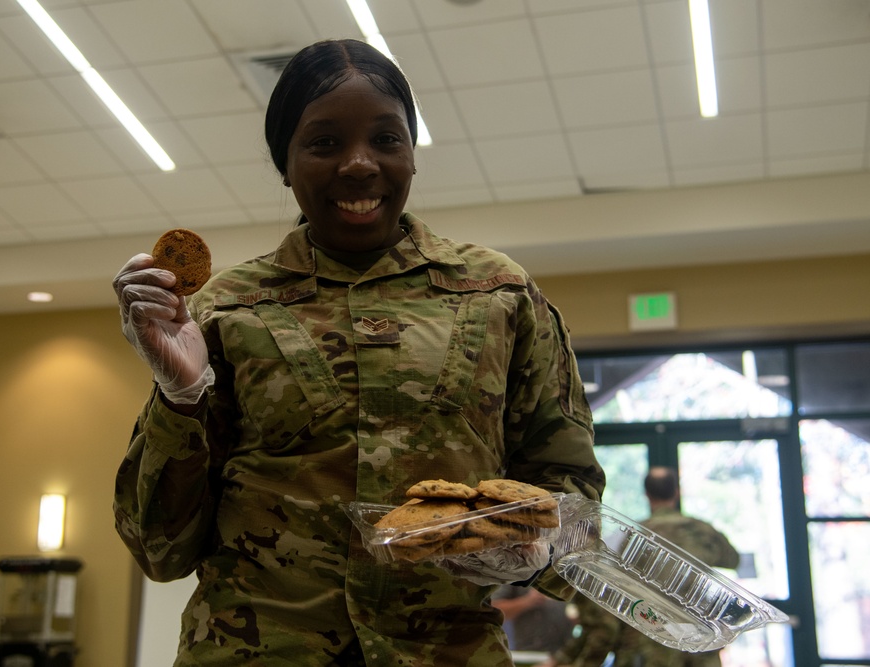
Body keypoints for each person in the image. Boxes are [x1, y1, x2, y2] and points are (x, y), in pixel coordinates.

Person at [112, 37, 604, 666]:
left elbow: (572, 497)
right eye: (323, 143)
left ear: (413, 155)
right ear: (284, 164)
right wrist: (180, 398)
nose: (359, 164)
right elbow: (160, 549)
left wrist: (531, 547)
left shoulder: (500, 295)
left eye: (386, 139)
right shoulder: (224, 310)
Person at [610, 467, 740, 667]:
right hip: (699, 641)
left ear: (647, 494)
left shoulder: (632, 536)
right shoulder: (703, 531)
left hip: (650, 642)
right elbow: (733, 560)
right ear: (676, 492)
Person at [492, 586, 574, 654]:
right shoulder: (516, 573)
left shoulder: (569, 570)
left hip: (566, 653)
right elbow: (495, 610)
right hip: (529, 654)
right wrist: (528, 601)